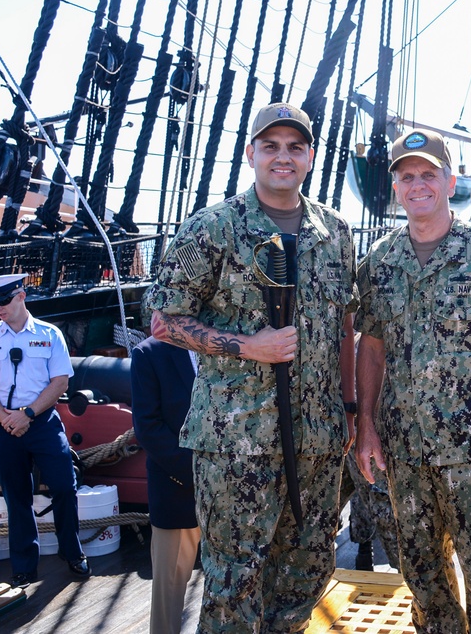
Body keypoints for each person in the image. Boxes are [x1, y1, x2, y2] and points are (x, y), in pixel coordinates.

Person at [146, 102, 358, 633]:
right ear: (251, 155)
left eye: (294, 147)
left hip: (317, 440)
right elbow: (165, 323)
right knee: (233, 585)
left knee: (307, 572)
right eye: (271, 147)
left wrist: (350, 410)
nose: (282, 157)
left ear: (310, 157)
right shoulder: (212, 228)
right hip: (236, 440)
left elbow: (345, 330)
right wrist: (249, 346)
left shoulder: (335, 233)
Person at [354, 128, 471, 633]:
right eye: (406, 176)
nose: (418, 185)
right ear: (395, 187)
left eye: (428, 174)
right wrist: (366, 427)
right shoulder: (377, 265)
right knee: (422, 577)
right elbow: (370, 347)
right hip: (404, 452)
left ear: (450, 180)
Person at [0, 273, 90, 589]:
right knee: (16, 497)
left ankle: (72, 552)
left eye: (4, 301)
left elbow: (60, 382)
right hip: (3, 426)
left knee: (65, 486)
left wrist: (27, 414)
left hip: (41, 423)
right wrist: (7, 419)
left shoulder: (49, 334)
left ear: (21, 296)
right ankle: (25, 566)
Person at [131, 334, 200, 634]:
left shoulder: (233, 342)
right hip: (178, 488)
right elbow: (147, 426)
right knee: (168, 596)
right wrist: (196, 472)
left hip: (232, 490)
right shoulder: (149, 354)